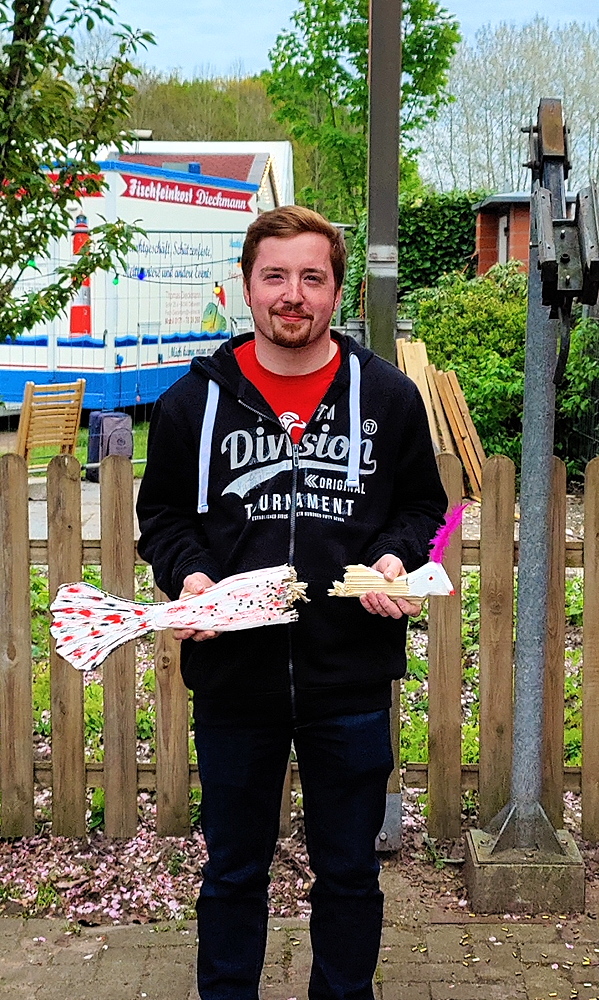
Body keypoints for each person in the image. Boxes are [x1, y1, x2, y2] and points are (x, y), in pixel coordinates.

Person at [136, 206, 447, 1000]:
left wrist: (398, 559)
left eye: (311, 277)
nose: (292, 295)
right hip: (235, 679)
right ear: (247, 286)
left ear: (336, 292)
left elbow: (431, 511)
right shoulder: (192, 404)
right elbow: (162, 517)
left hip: (348, 680)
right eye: (274, 276)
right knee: (234, 869)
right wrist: (191, 578)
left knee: (348, 873)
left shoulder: (386, 396)